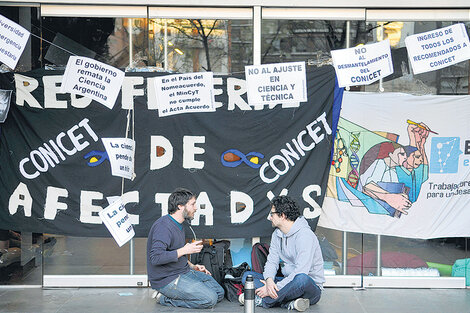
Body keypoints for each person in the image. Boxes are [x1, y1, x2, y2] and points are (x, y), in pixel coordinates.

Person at [239, 196, 325, 312]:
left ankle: (265, 301)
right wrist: (269, 281)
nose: (269, 217)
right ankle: (290, 303)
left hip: (309, 287)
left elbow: (301, 271)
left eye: (272, 214)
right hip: (286, 282)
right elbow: (272, 262)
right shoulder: (277, 234)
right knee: (248, 277)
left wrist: (273, 289)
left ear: (283, 215)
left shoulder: (305, 235)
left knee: (301, 279)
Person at [146, 188, 224, 309]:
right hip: (167, 279)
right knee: (210, 299)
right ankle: (164, 298)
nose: (196, 208)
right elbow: (156, 258)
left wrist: (193, 266)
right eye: (192, 204)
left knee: (219, 293)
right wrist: (185, 250)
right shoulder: (163, 227)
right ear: (180, 206)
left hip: (184, 272)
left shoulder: (180, 225)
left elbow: (174, 253)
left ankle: (185, 292)